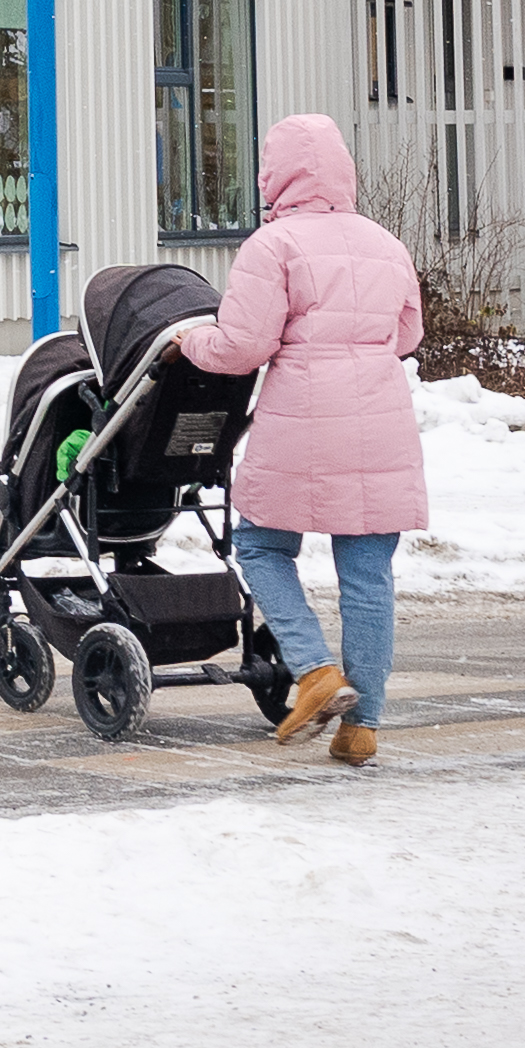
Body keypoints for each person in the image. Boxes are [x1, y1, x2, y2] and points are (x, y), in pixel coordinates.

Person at [172, 112, 428, 766]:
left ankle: (314, 672)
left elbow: (243, 347)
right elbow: (407, 338)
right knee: (368, 575)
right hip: (380, 418)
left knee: (261, 544)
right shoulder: (384, 243)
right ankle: (362, 725)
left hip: (304, 417)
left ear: (273, 173)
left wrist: (187, 341)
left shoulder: (274, 245)